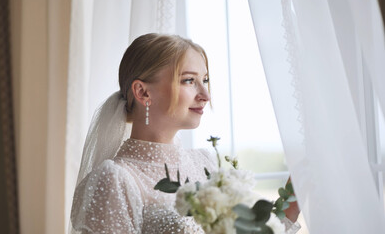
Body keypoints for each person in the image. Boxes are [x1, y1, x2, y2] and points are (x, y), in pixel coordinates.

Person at [69, 33, 300, 234]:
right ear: (142, 92)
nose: (205, 95)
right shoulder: (115, 178)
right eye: (189, 80)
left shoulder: (204, 163)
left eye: (205, 80)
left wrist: (293, 199)